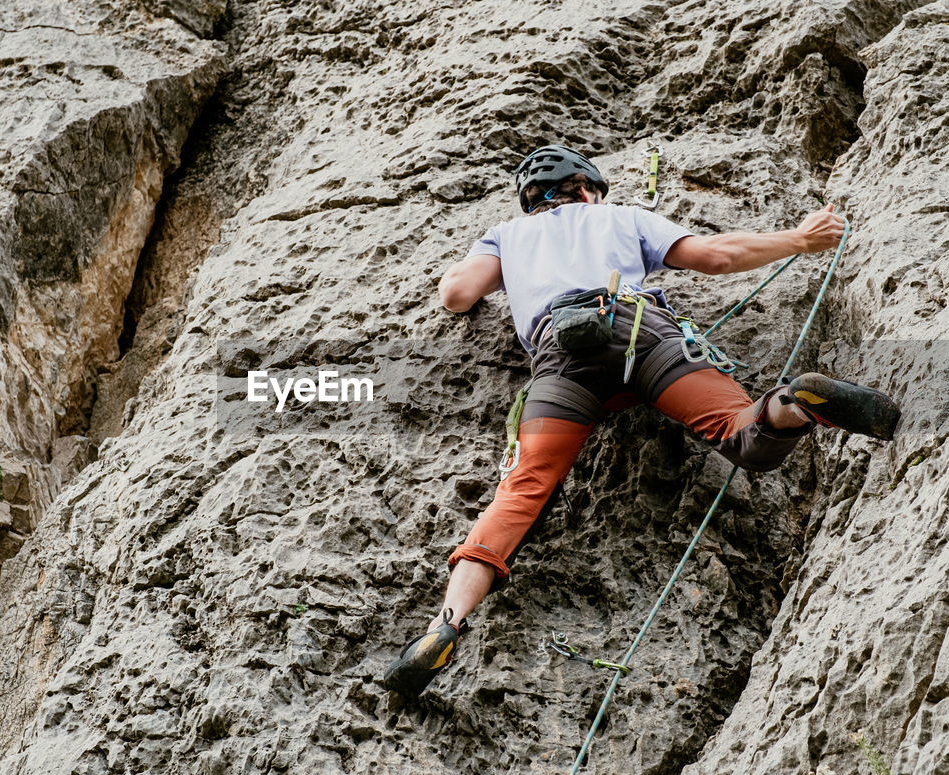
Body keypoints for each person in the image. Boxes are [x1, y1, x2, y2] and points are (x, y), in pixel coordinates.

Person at [382, 144, 900, 698]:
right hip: (641, 334)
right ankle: (794, 401)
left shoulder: (507, 235)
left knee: (522, 490)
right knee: (742, 435)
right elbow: (716, 256)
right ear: (587, 188)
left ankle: (447, 623)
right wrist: (801, 239)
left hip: (562, 358)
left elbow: (457, 294)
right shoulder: (619, 218)